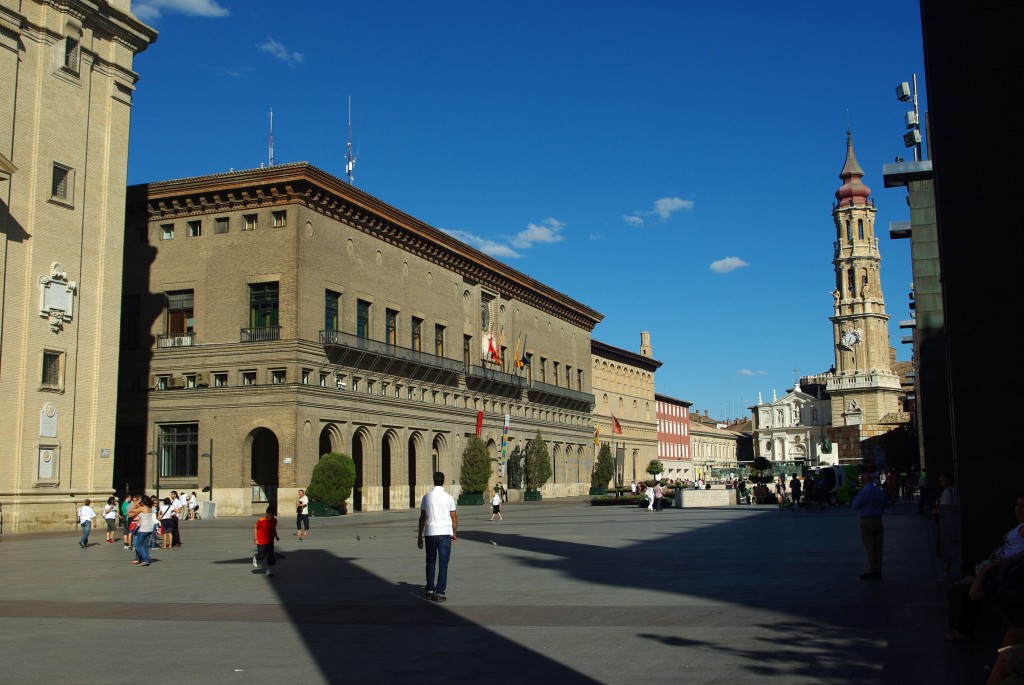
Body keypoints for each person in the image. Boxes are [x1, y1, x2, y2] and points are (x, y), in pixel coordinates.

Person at [417, 471, 457, 602]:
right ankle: (439, 592)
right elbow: (454, 519)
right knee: (443, 563)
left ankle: (429, 590)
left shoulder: (427, 497)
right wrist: (454, 533)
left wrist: (419, 536)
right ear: (443, 481)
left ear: (433, 481)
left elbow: (422, 518)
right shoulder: (449, 498)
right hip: (445, 533)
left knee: (430, 561)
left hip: (430, 533)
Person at [852, 472, 888, 579]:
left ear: (863, 481)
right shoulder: (879, 491)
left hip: (866, 520)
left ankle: (870, 570)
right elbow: (886, 504)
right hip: (878, 520)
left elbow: (855, 505)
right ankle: (878, 569)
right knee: (879, 545)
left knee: (869, 546)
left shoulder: (863, 492)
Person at [253, 505, 280, 577]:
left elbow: (273, 528)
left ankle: (268, 571)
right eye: (269, 515)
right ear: (267, 514)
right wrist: (255, 539)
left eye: (272, 515)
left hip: (270, 541)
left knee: (271, 557)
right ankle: (256, 556)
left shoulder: (274, 521)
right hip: (261, 541)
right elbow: (255, 527)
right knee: (262, 555)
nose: (271, 517)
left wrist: (276, 536)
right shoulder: (261, 520)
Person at [128, 495, 154, 566]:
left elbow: (131, 511)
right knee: (145, 545)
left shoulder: (142, 508)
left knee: (138, 545)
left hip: (143, 529)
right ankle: (146, 559)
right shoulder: (150, 508)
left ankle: (145, 559)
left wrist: (136, 503)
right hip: (150, 529)